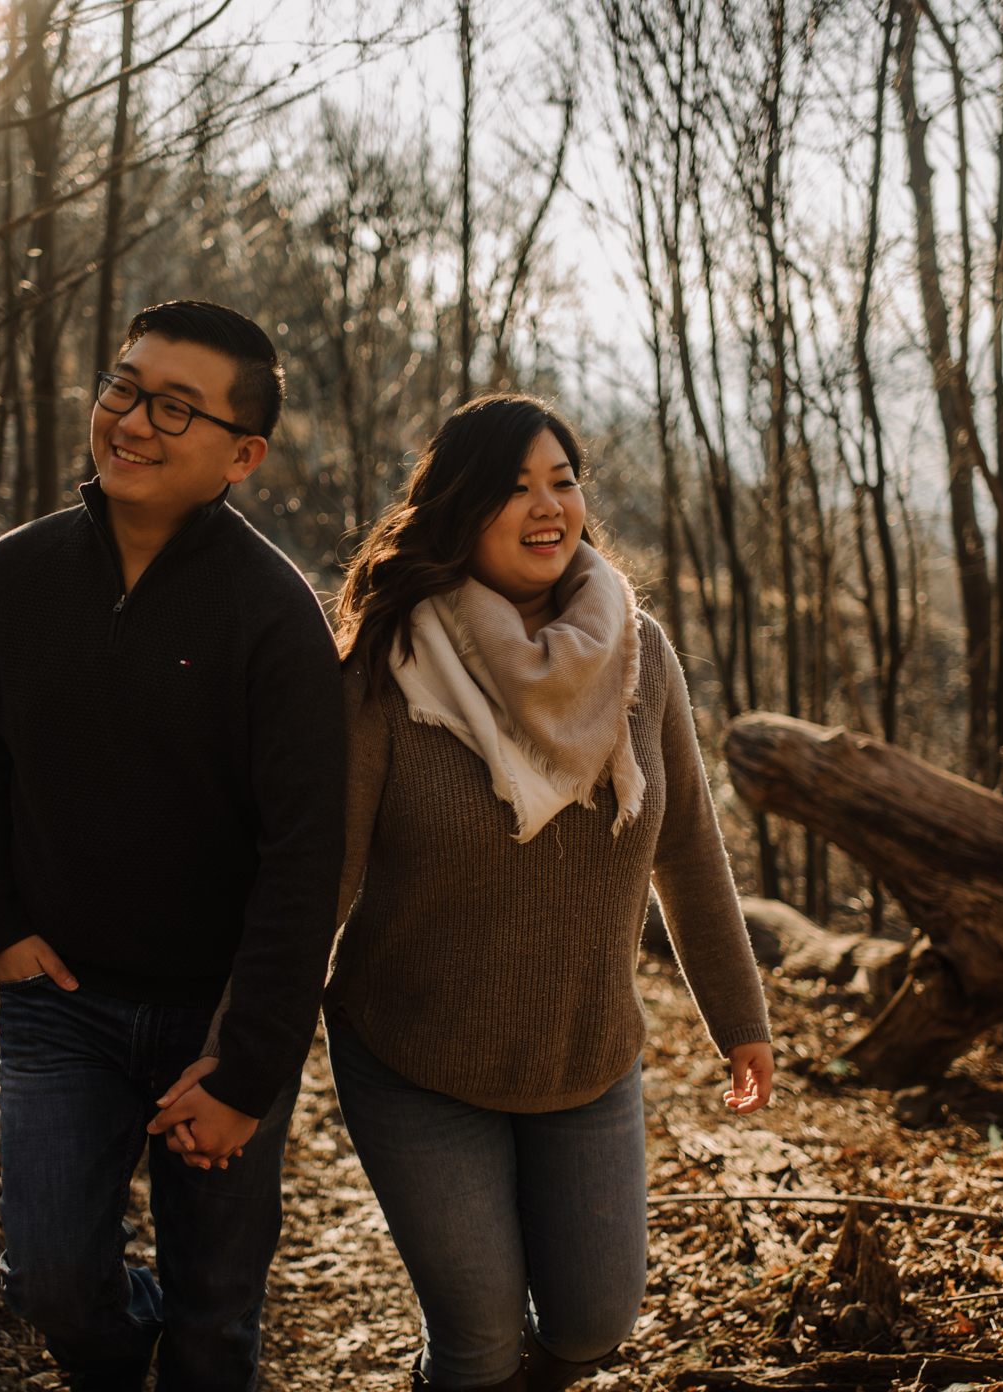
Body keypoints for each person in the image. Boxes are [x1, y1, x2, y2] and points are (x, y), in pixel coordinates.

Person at [0, 300, 346, 1392]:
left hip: (216, 1019)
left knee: (215, 1320)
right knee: (55, 1286)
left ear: (242, 455)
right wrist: (2, 925)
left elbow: (305, 859)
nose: (134, 419)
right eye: (125, 387)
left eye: (176, 407)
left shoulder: (272, 615)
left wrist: (247, 1068)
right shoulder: (16, 578)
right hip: (60, 1002)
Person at [325, 394, 774, 1391]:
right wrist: (241, 1044)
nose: (547, 507)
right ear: (454, 507)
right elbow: (322, 882)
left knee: (590, 1325)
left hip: (584, 1053)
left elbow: (690, 846)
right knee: (479, 1347)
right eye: (512, 487)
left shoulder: (636, 654)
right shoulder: (389, 665)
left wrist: (739, 1017)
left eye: (562, 481)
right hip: (412, 1055)